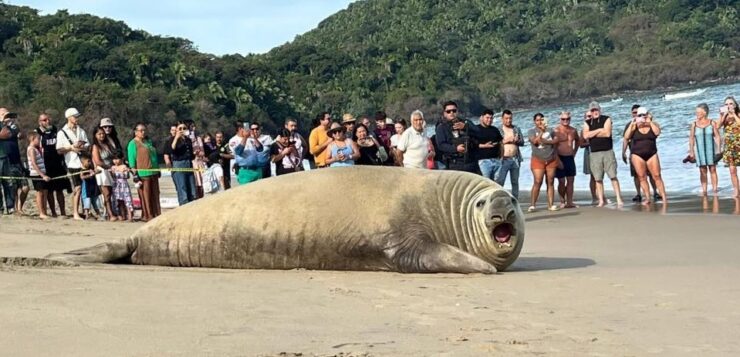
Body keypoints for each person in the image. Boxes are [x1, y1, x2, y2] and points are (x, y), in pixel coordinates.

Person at [582, 101, 624, 207]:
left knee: (613, 176)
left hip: (607, 151)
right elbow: (586, 135)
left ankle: (619, 198)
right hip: (594, 153)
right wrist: (599, 130)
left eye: (596, 109)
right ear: (590, 112)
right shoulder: (587, 123)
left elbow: (607, 133)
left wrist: (594, 133)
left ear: (599, 109)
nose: (595, 112)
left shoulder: (607, 119)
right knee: (598, 178)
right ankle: (601, 200)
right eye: (592, 110)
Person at [624, 108, 667, 205]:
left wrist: (650, 121)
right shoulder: (634, 126)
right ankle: (647, 198)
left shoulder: (653, 124)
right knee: (642, 177)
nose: (642, 117)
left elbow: (657, 132)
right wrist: (633, 123)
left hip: (652, 153)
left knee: (657, 176)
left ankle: (664, 198)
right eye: (640, 115)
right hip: (637, 155)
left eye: (644, 115)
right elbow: (626, 137)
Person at [56, 107, 90, 220]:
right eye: (75, 117)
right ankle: (75, 212)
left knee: (81, 187)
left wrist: (81, 147)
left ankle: (80, 211)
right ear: (69, 118)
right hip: (71, 162)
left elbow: (87, 146)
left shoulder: (81, 130)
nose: (77, 119)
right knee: (77, 187)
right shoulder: (62, 132)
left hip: (82, 162)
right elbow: (59, 150)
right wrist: (71, 148)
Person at [35, 113, 71, 217]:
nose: (47, 121)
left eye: (48, 119)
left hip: (58, 163)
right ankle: (53, 212)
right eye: (44, 120)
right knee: (49, 190)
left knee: (60, 189)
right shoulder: (37, 133)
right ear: (40, 122)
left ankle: (63, 212)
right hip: (46, 164)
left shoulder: (55, 130)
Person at [528, 113, 561, 212]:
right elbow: (535, 142)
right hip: (538, 159)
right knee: (538, 181)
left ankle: (550, 205)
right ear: (534, 121)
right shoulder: (531, 131)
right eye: (537, 120)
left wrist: (546, 142)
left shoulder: (551, 130)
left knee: (550, 181)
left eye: (541, 120)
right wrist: (542, 132)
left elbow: (556, 141)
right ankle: (533, 205)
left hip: (550, 159)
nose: (539, 122)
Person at [127, 123, 160, 221]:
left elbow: (154, 156)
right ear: (136, 132)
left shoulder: (148, 141)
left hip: (153, 172)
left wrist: (157, 169)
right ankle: (147, 215)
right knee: (145, 195)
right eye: (141, 130)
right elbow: (132, 161)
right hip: (142, 174)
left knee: (155, 194)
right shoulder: (133, 143)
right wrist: (135, 174)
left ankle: (156, 214)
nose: (143, 132)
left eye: (144, 130)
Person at [435, 101, 478, 173]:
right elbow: (441, 145)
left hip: (471, 161)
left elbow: (478, 132)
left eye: (454, 111)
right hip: (454, 163)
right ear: (444, 113)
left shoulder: (466, 122)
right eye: (448, 111)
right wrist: (456, 149)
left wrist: (466, 127)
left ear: (457, 111)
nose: (451, 113)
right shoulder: (441, 127)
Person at [688, 103, 721, 196]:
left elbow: (717, 137)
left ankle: (715, 190)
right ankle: (704, 191)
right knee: (702, 170)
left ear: (704, 112)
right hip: (699, 151)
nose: (696, 113)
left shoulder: (712, 123)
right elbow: (691, 138)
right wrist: (691, 151)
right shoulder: (694, 124)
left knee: (713, 169)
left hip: (711, 149)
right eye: (696, 112)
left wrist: (719, 149)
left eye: (698, 112)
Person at [495, 110, 525, 199]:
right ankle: (499, 199)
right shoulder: (498, 129)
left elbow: (522, 142)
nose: (508, 120)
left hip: (515, 158)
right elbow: (495, 144)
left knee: (515, 181)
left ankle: (515, 200)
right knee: (500, 181)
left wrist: (517, 141)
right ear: (502, 119)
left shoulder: (516, 128)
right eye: (506, 118)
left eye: (510, 118)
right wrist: (505, 141)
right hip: (503, 159)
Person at [554, 111, 580, 208]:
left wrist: (574, 151)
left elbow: (578, 140)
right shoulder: (556, 131)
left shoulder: (573, 130)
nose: (565, 121)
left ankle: (570, 201)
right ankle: (562, 200)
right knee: (561, 181)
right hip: (560, 157)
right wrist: (557, 160)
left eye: (567, 119)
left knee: (571, 180)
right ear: (560, 120)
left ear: (570, 119)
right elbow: (553, 147)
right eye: (563, 119)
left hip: (570, 157)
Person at [91, 127, 116, 220]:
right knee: (106, 194)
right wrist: (109, 167)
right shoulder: (95, 146)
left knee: (112, 192)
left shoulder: (108, 144)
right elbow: (97, 161)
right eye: (99, 134)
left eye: (103, 133)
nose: (101, 135)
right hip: (102, 171)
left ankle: (112, 212)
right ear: (95, 136)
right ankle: (110, 214)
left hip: (110, 170)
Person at [170, 121, 197, 205]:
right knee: (182, 187)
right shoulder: (172, 139)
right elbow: (172, 150)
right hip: (179, 163)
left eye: (184, 128)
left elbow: (191, 154)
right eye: (180, 128)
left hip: (188, 163)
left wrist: (195, 154)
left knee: (192, 187)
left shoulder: (188, 140)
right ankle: (183, 204)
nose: (182, 130)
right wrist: (176, 138)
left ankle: (192, 202)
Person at [26, 131, 51, 219]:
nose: (39, 141)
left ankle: (44, 211)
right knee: (40, 193)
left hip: (42, 173)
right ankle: (41, 212)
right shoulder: (31, 149)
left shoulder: (36, 149)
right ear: (33, 139)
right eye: (38, 139)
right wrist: (42, 175)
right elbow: (33, 163)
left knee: (45, 192)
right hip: (36, 174)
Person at [719, 96, 740, 197]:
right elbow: (718, 126)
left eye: (731, 103)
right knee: (732, 170)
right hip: (729, 146)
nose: (728, 106)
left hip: (739, 144)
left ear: (735, 105)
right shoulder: (724, 116)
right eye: (726, 104)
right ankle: (736, 190)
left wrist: (734, 114)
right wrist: (724, 115)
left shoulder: (738, 114)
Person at [473, 108, 503, 181]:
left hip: (496, 160)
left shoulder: (495, 129)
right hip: (483, 161)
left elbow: (501, 143)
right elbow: (472, 144)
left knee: (496, 184)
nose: (489, 120)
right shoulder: (475, 129)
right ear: (482, 117)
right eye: (487, 118)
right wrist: (484, 146)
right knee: (485, 184)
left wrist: (501, 158)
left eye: (491, 118)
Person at [110, 152, 134, 222]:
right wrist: (112, 173)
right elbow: (113, 177)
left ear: (121, 159)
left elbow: (127, 176)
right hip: (116, 185)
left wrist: (125, 171)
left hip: (124, 184)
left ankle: (130, 216)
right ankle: (122, 215)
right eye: (114, 159)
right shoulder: (113, 167)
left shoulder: (124, 166)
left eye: (117, 159)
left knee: (127, 200)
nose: (115, 161)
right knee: (119, 201)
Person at [79, 153, 102, 219]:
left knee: (96, 202)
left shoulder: (91, 169)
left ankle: (99, 214)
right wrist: (90, 175)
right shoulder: (82, 170)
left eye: (90, 161)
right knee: (87, 202)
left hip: (94, 188)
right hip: (86, 190)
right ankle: (87, 215)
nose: (89, 163)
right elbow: (82, 177)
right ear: (83, 162)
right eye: (88, 161)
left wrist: (95, 172)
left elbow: (99, 171)